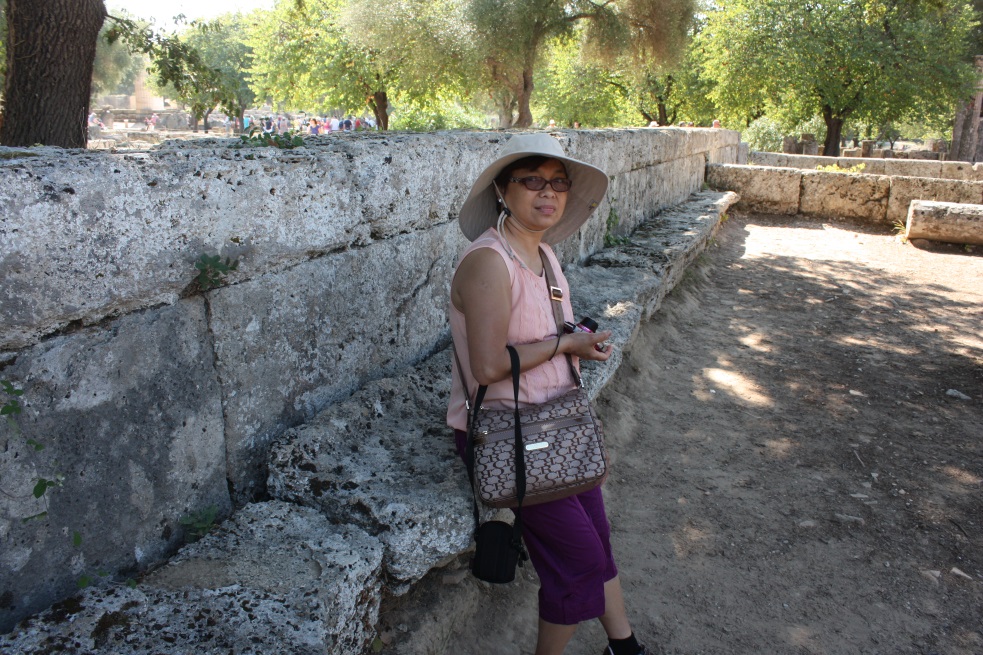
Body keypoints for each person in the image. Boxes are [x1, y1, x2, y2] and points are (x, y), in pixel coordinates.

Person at [447, 134, 651, 655]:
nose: (549, 192)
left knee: (597, 539)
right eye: (532, 180)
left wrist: (578, 344)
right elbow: (490, 365)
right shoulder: (489, 261)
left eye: (558, 183)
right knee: (579, 559)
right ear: (501, 189)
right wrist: (564, 343)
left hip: (556, 423)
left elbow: (545, 336)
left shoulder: (546, 256)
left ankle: (623, 647)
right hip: (510, 433)